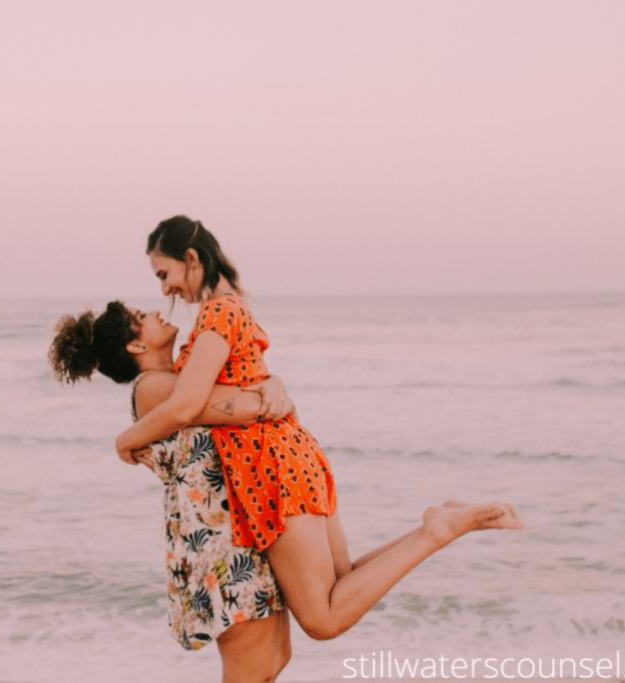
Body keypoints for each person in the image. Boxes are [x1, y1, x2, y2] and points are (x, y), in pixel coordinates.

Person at [115, 215, 525, 642]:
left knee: (322, 619)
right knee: (341, 582)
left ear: (192, 259)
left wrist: (125, 440)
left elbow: (184, 405)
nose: (164, 289)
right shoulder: (232, 306)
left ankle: (437, 531)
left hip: (268, 465)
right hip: (292, 454)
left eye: (164, 273)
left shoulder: (217, 311)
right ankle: (441, 523)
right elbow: (243, 383)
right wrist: (274, 384)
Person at [49, 301, 295, 683]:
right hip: (219, 546)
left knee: (274, 661)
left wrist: (273, 384)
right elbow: (248, 404)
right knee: (252, 672)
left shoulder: (181, 383)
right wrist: (270, 390)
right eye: (140, 317)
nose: (153, 312)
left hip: (235, 532)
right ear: (136, 346)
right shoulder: (155, 388)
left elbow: (254, 391)